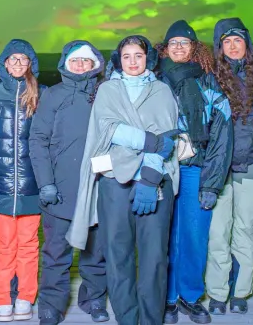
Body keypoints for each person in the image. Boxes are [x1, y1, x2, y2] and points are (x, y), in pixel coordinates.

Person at [68, 35, 182, 325]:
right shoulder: (108, 90)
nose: (133, 61)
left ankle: (151, 319)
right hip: (114, 183)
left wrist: (150, 176)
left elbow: (167, 139)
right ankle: (127, 318)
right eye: (127, 56)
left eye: (139, 56)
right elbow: (106, 130)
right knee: (118, 256)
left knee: (155, 257)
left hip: (154, 184)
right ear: (119, 59)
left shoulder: (161, 91)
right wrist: (148, 140)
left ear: (148, 59)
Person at [155, 21, 231, 325]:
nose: (177, 47)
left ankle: (189, 295)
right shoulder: (154, 80)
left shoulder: (209, 83)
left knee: (194, 235)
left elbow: (222, 135)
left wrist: (211, 184)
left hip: (194, 169)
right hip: (160, 169)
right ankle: (167, 297)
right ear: (164, 48)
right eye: (172, 42)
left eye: (183, 43)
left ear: (194, 48)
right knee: (163, 235)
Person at [29, 41, 110, 325]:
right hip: (60, 188)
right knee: (56, 251)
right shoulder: (53, 95)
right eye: (75, 61)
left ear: (94, 65)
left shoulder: (105, 94)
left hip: (98, 185)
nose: (80, 65)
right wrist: (45, 183)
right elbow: (37, 140)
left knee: (96, 248)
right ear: (66, 64)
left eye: (86, 61)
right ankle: (51, 306)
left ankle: (95, 298)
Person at [203, 18, 253, 316]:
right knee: (219, 232)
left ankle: (240, 291)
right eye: (226, 41)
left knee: (245, 230)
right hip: (220, 168)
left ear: (247, 44)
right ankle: (217, 292)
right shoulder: (209, 79)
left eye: (237, 40)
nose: (232, 46)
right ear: (220, 47)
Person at [0, 39, 46, 322]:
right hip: (1, 184)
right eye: (13, 59)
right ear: (4, 63)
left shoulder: (42, 93)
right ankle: (4, 299)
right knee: (4, 245)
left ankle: (25, 298)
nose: (18, 64)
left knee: (29, 245)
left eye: (23, 59)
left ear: (31, 64)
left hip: (32, 184)